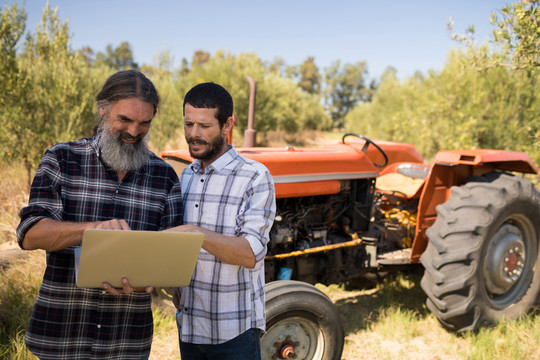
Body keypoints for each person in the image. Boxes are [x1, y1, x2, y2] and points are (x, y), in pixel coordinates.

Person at [16, 70, 184, 360]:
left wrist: (152, 276)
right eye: (125, 120)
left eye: (145, 123)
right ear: (103, 109)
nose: (134, 131)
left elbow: (170, 259)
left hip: (126, 340)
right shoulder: (61, 159)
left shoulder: (164, 177)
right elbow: (30, 234)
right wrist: (94, 231)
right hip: (61, 334)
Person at [168, 82, 276, 359]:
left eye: (204, 126)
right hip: (189, 326)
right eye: (188, 123)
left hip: (233, 331)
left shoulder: (255, 175)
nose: (193, 134)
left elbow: (251, 253)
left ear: (228, 124)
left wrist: (195, 233)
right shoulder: (187, 176)